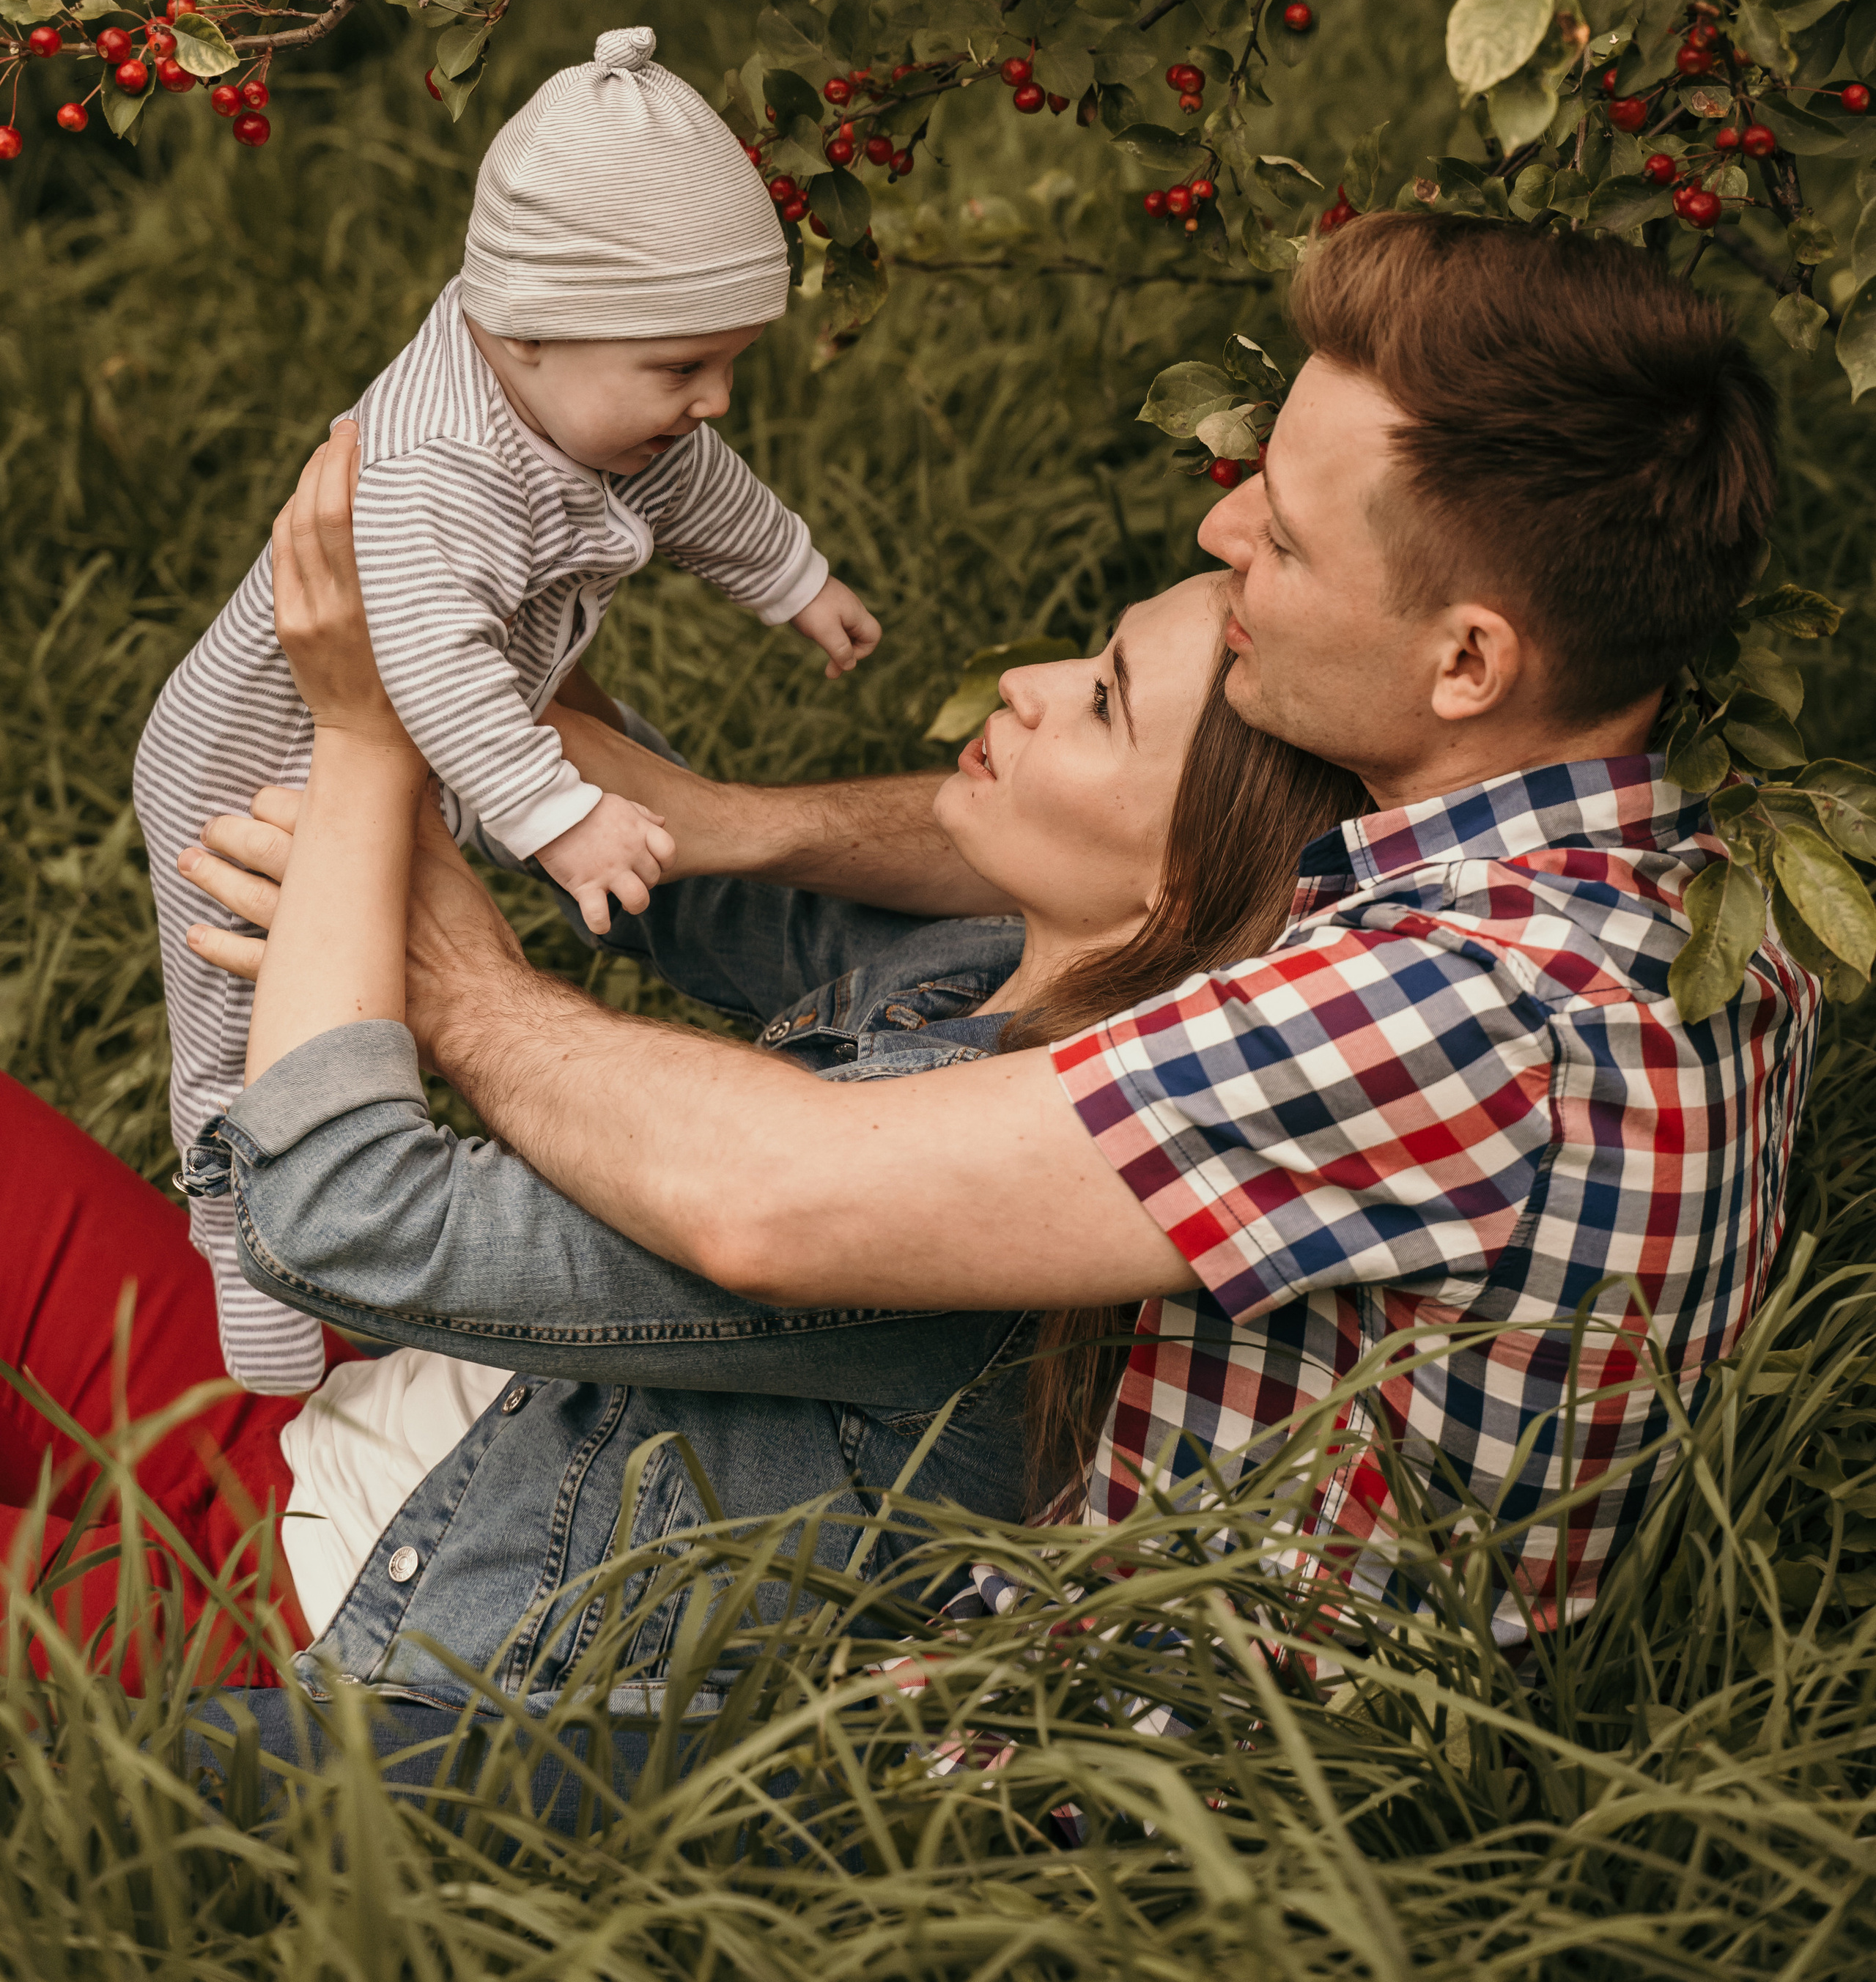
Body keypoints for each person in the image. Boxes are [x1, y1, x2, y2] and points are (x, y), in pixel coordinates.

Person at [185, 210, 1820, 1668]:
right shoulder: (1668, 878)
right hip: (463, 1482)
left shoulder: (1467, 1005)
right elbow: (1113, 862)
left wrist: (459, 983)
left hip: (1093, 1804)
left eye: (1290, 535)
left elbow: (767, 1205)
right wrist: (723, 808)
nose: (1219, 530)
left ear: (1465, 662)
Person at [5, 532, 1355, 1761]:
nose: (1029, 679)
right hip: (311, 1424)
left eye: (1104, 701)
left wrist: (368, 761)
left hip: (323, 1616)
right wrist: (502, 544)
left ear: (1183, 885)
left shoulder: (995, 1204)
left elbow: (348, 1212)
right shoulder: (994, 964)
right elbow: (661, 879)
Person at [132, 26, 880, 1394]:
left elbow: (691, 486)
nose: (712, 400)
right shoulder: (435, 472)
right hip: (248, 763)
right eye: (680, 372)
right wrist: (558, 818)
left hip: (423, 726)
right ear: (523, 330)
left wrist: (793, 577)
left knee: (385, 959)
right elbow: (426, 670)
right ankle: (242, 1250)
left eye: (726, 362)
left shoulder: (585, 396)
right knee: (244, 1009)